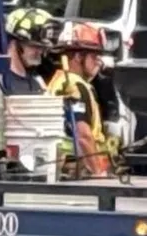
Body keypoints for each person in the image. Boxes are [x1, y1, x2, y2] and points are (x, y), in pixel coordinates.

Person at [44, 20, 114, 178]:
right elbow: (83, 136)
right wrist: (98, 173)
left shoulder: (59, 81)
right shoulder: (74, 86)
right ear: (77, 57)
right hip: (79, 171)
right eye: (94, 55)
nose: (98, 61)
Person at [0, 7, 56, 95]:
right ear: (14, 43)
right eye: (35, 46)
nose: (40, 52)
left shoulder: (37, 81)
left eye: (43, 47)